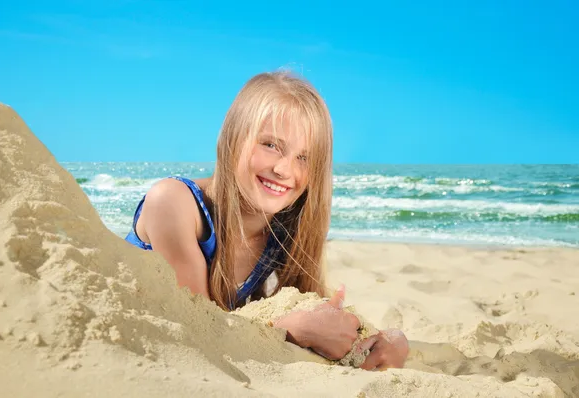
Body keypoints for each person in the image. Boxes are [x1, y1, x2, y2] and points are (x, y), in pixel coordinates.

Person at [125, 71, 409, 370]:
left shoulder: (281, 229)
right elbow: (199, 329)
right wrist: (290, 329)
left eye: (304, 158)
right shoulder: (173, 202)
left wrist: (387, 341)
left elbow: (317, 318)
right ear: (234, 137)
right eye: (271, 145)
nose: (284, 170)